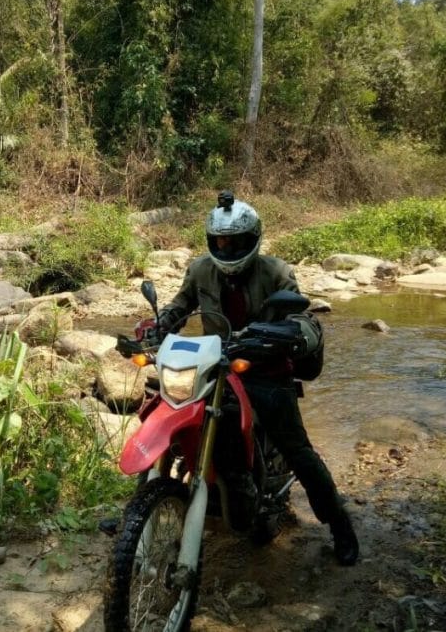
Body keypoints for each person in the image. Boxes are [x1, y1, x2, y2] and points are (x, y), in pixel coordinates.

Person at [154, 190, 360, 566]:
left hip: (265, 373)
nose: (226, 247)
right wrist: (160, 323)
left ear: (253, 240)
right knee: (166, 412)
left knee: (298, 451)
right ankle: (147, 506)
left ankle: (339, 525)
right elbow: (180, 305)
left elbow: (301, 314)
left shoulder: (276, 272)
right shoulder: (201, 269)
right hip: (215, 368)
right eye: (219, 241)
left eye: (234, 241)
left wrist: (290, 332)